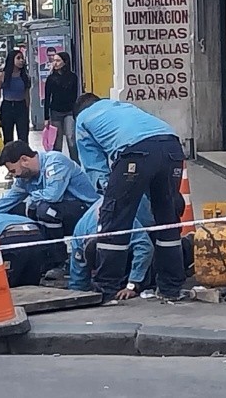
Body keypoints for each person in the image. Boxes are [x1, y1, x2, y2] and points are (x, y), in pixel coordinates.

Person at [74, 93, 185, 301]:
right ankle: (171, 288)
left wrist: (110, 195)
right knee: (167, 221)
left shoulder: (83, 120)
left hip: (136, 154)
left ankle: (107, 291)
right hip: (172, 146)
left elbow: (94, 167)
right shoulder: (124, 107)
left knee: (114, 221)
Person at [0, 140, 99, 273]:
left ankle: (59, 260)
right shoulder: (24, 178)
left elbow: (53, 195)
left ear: (24, 159)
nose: (14, 176)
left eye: (13, 171)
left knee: (46, 210)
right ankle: (42, 254)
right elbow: (9, 200)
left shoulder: (56, 162)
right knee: (15, 211)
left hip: (87, 212)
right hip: (63, 212)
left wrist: (31, 200)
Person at [69, 196, 155, 300]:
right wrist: (77, 296)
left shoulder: (120, 223)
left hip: (143, 213)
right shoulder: (80, 234)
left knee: (150, 261)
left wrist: (131, 285)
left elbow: (145, 248)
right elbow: (78, 274)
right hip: (111, 222)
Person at [44, 52, 80, 162]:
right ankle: (57, 162)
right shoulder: (51, 79)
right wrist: (46, 117)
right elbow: (47, 98)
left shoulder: (73, 77)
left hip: (69, 111)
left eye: (58, 60)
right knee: (57, 141)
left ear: (65, 62)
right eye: (54, 60)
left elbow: (75, 96)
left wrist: (76, 112)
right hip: (55, 111)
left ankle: (75, 162)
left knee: (71, 138)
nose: (55, 63)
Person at [0, 50, 31, 145]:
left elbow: (27, 95)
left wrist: (27, 111)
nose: (21, 60)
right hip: (7, 107)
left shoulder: (25, 77)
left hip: (21, 106)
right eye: (18, 58)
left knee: (23, 137)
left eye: (22, 58)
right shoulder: (2, 76)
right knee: (8, 138)